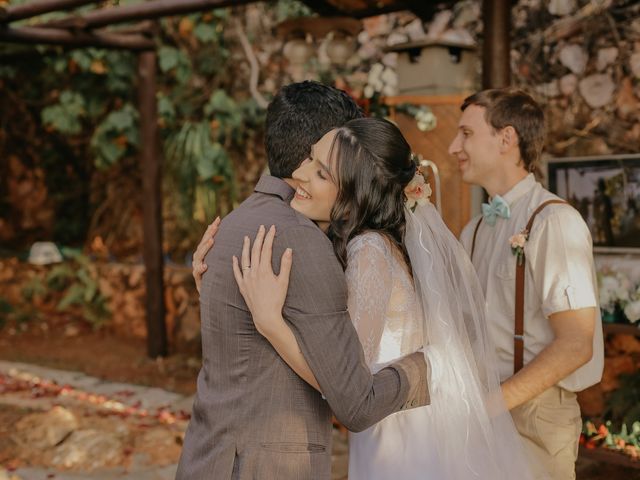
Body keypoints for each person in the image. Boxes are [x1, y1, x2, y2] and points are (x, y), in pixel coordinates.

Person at [202, 117, 537, 479]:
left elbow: (346, 385)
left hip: (401, 445)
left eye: (321, 174)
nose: (301, 173)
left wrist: (270, 324)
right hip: (402, 427)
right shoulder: (383, 243)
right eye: (311, 159)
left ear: (354, 192)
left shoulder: (369, 252)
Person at [176, 82, 430, 480]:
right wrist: (425, 368)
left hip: (207, 457)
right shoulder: (302, 241)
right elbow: (355, 401)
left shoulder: (232, 223)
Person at [449, 88, 604, 479]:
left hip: (535, 415)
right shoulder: (475, 229)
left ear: (506, 138)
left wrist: (489, 406)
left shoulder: (554, 222)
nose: (454, 147)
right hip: (484, 413)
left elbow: (575, 344)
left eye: (466, 134)